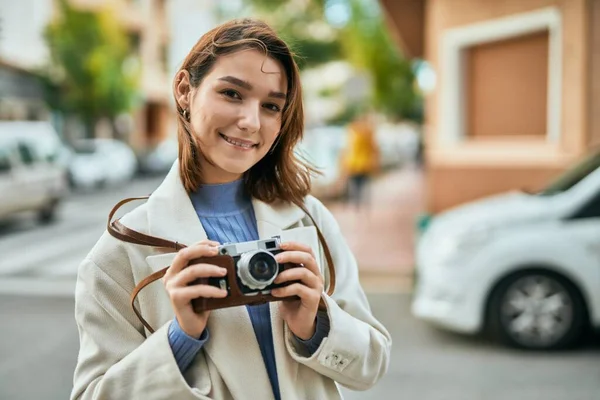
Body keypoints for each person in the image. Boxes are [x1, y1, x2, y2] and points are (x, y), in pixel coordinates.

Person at [70, 18, 391, 400]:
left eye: (271, 105)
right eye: (233, 94)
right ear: (185, 89)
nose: (251, 122)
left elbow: (372, 364)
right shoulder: (117, 256)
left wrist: (315, 326)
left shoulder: (310, 219)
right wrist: (180, 338)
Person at [342, 115, 380, 210]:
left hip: (356, 164)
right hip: (361, 165)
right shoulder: (367, 133)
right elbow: (374, 149)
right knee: (362, 186)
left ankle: (358, 204)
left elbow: (347, 150)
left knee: (357, 186)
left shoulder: (353, 133)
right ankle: (361, 204)